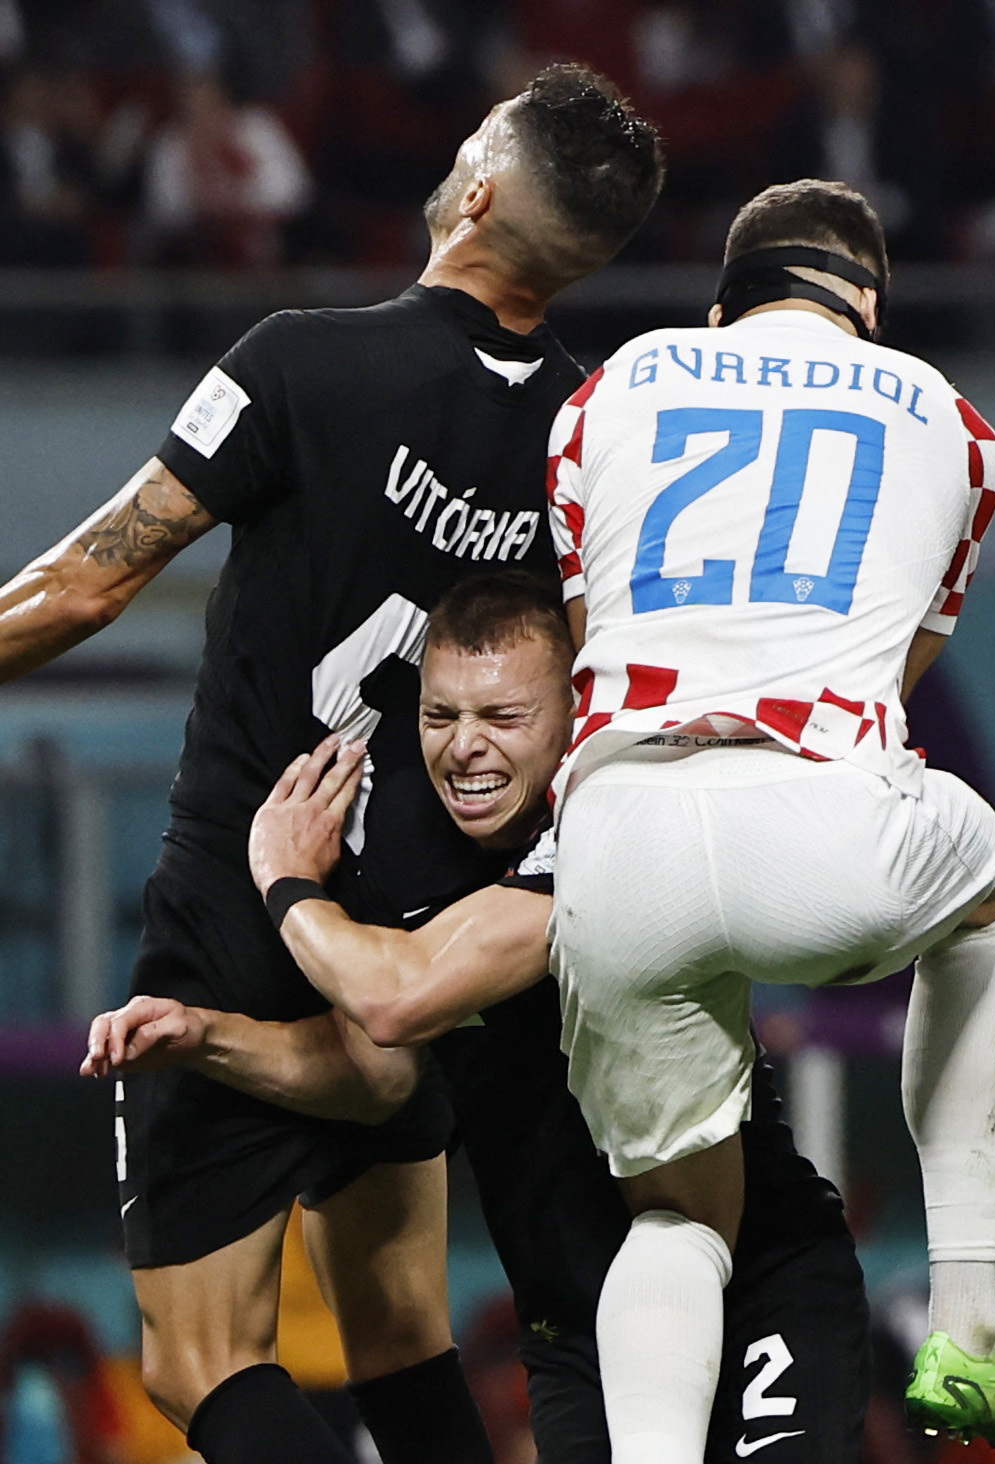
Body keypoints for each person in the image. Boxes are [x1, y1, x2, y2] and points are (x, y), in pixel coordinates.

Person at [0, 63, 663, 1464]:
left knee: (198, 1364)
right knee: (398, 1326)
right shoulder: (596, 431)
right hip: (421, 928)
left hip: (249, 883)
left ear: (477, 184)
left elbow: (84, 588)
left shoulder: (298, 360)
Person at [81, 572, 872, 1464]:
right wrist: (206, 1036)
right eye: (440, 717)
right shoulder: (399, 870)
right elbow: (377, 1078)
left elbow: (397, 997)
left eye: (502, 718)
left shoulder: (611, 828)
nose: (465, 749)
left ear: (574, 713)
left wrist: (283, 879)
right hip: (575, 1327)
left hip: (754, 1285)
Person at [542, 178, 995, 1463]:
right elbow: (894, 674)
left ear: (726, 303)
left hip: (618, 830)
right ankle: (970, 1324)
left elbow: (590, 637)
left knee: (678, 1218)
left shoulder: (610, 389)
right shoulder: (958, 423)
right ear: (868, 309)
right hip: (822, 812)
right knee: (986, 879)